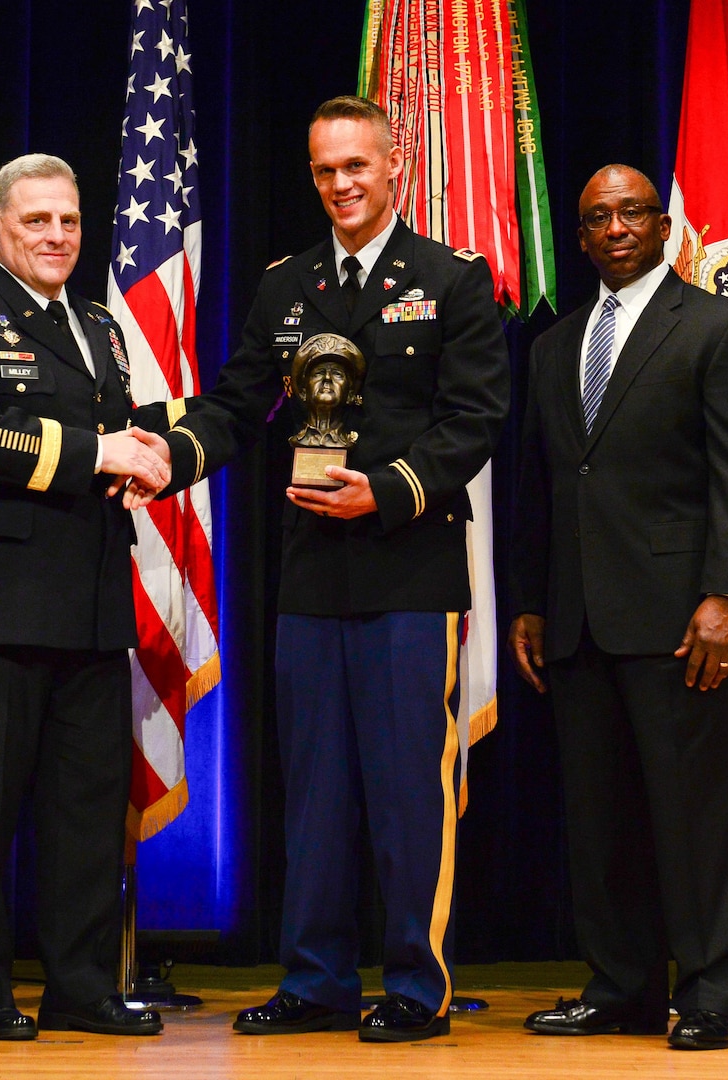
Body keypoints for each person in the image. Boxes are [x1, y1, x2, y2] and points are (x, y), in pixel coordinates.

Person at [132, 96, 509, 1042]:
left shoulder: (453, 279)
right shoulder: (286, 286)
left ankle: (417, 988)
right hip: (310, 575)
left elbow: (473, 421)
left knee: (405, 791)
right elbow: (235, 404)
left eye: (356, 166)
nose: (341, 184)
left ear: (395, 167)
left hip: (410, 573)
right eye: (324, 170)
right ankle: (316, 980)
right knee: (315, 788)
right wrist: (164, 456)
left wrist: (382, 491)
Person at [507, 164, 728, 1051]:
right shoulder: (553, 347)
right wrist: (531, 603)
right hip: (577, 618)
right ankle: (620, 985)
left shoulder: (718, 327)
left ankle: (711, 992)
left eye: (632, 212)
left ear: (664, 227)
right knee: (600, 817)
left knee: (694, 813)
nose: (616, 227)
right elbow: (546, 486)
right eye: (597, 218)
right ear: (580, 239)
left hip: (679, 618)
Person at [0, 153, 173, 1041]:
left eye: (67, 221)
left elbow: (122, 426)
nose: (56, 236)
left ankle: (83, 986)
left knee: (87, 810)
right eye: (36, 222)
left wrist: (150, 459)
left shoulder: (97, 321)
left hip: (90, 598)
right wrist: (103, 456)